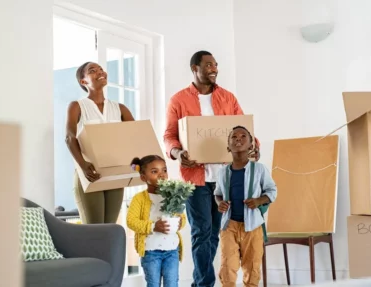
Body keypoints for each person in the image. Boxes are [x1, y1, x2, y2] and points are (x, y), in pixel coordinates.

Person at [163, 50, 260, 287]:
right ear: (194, 68)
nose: (214, 68)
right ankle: (204, 283)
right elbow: (169, 135)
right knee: (201, 232)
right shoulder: (179, 100)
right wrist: (178, 153)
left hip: (225, 178)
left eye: (215, 65)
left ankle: (200, 283)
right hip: (195, 178)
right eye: (208, 65)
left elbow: (244, 130)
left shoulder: (228, 98)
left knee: (216, 230)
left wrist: (254, 146)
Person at [65, 61, 135, 224]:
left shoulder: (120, 108)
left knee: (109, 229)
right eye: (93, 70)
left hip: (115, 174)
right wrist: (83, 165)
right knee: (94, 230)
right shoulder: (77, 106)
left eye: (101, 69)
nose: (100, 72)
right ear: (84, 81)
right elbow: (69, 137)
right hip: (89, 173)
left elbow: (135, 137)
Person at [214, 126, 277, 287]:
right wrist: (219, 202)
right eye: (234, 137)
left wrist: (258, 201)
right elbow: (218, 193)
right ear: (228, 146)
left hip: (253, 226)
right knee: (227, 266)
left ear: (251, 146)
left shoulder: (259, 169)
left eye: (243, 136)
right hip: (229, 226)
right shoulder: (223, 172)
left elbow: (272, 191)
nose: (238, 139)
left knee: (252, 266)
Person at [127, 155, 186, 287]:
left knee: (172, 283)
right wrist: (153, 226)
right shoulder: (140, 199)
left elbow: (181, 217)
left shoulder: (172, 195)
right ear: (143, 177)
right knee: (153, 284)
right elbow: (131, 221)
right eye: (154, 171)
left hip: (172, 250)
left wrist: (180, 222)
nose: (161, 175)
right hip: (151, 251)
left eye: (164, 170)